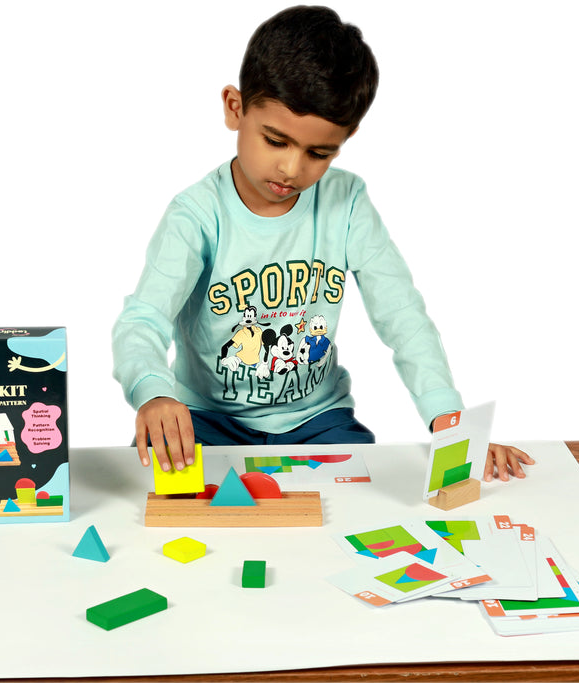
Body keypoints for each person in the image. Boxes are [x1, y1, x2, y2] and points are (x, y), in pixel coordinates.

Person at [111, 5, 533, 482]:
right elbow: (142, 319)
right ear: (235, 108)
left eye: (319, 153)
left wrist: (447, 417)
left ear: (346, 139)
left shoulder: (347, 202)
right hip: (207, 421)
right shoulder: (196, 214)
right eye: (275, 141)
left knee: (354, 515)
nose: (292, 169)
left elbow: (403, 316)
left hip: (318, 422)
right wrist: (153, 391)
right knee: (158, 504)